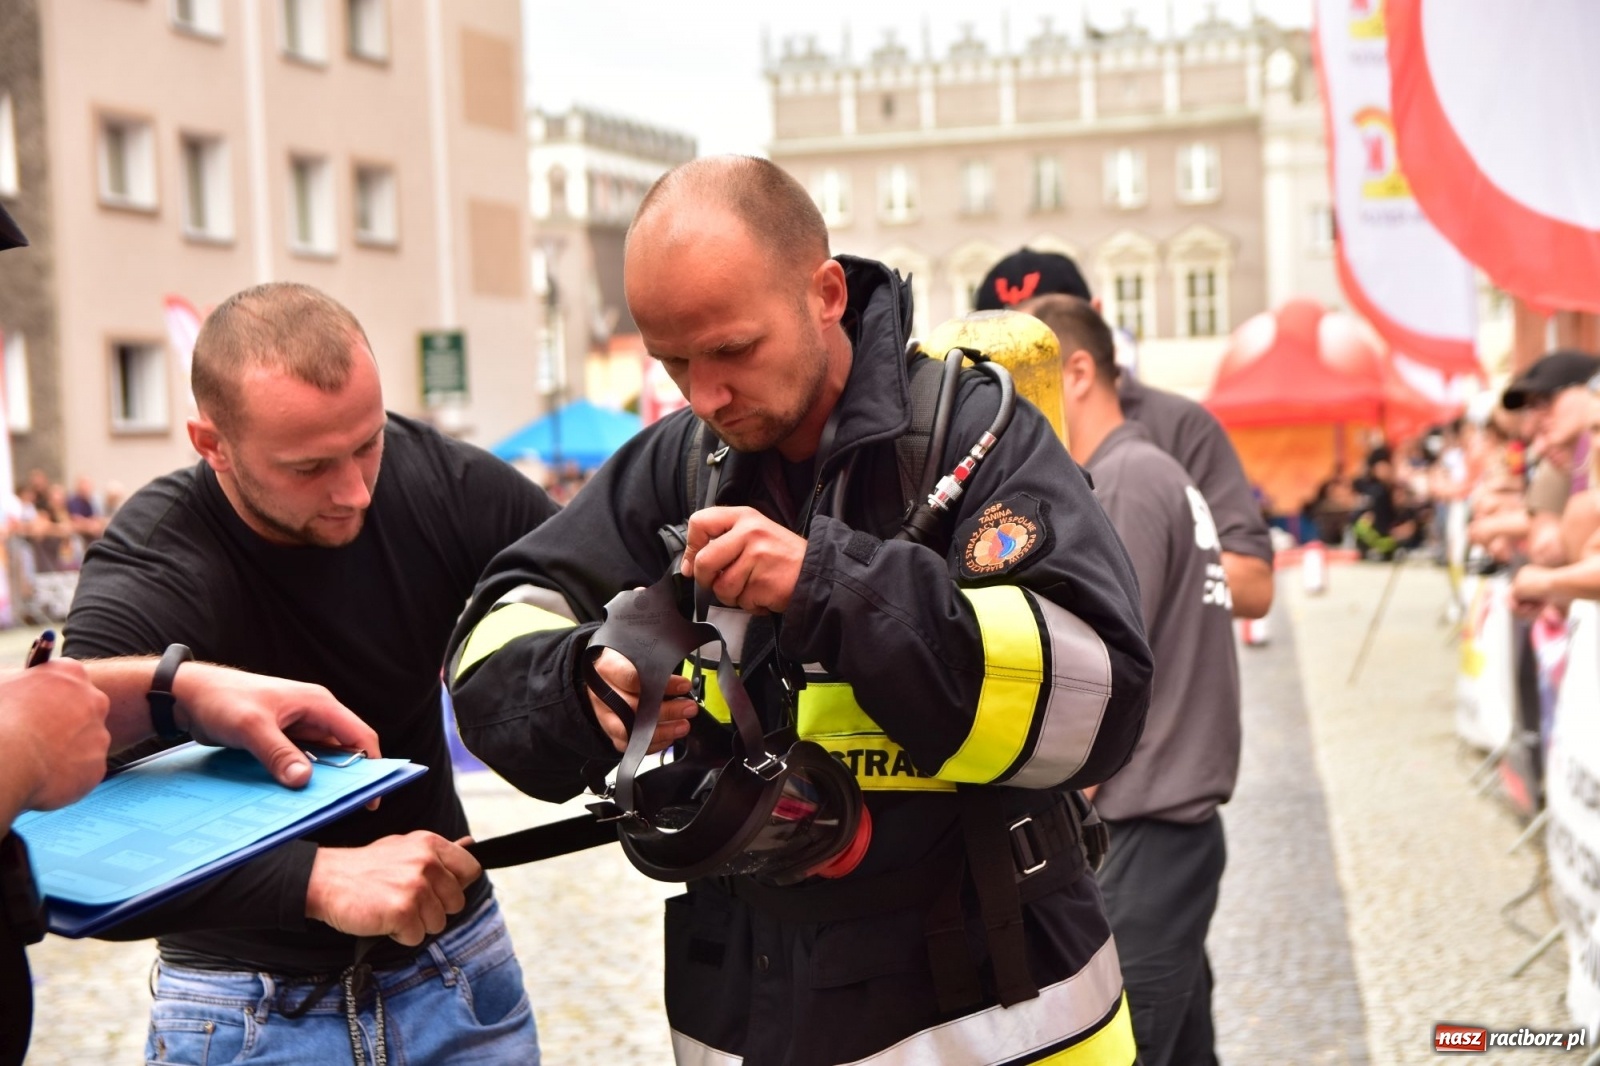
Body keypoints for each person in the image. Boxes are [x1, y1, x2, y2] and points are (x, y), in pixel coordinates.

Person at [447, 156, 1153, 1065]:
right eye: (673, 361)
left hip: (999, 1015)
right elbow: (498, 623)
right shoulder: (680, 459)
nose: (703, 396)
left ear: (824, 292)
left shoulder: (975, 437)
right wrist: (577, 681)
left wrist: (831, 583)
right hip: (753, 1009)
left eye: (733, 350)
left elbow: (1098, 702)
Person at [63, 282, 559, 1065]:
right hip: (243, 1012)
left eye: (368, 443)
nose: (355, 489)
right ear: (211, 443)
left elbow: (595, 572)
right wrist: (316, 881)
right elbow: (67, 835)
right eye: (310, 467)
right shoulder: (156, 559)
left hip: (457, 972)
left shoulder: (438, 481)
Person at [1027, 294, 1239, 1066]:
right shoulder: (1153, 469)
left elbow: (1104, 673)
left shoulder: (1120, 482)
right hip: (1168, 823)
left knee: (1132, 1049)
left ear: (1076, 372)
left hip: (1147, 825)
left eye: (1027, 377)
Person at [982, 248, 1275, 619]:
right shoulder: (984, 444)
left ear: (1093, 320)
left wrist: (1158, 553)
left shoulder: (1176, 428)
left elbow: (1255, 584)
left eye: (1039, 341)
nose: (1024, 365)